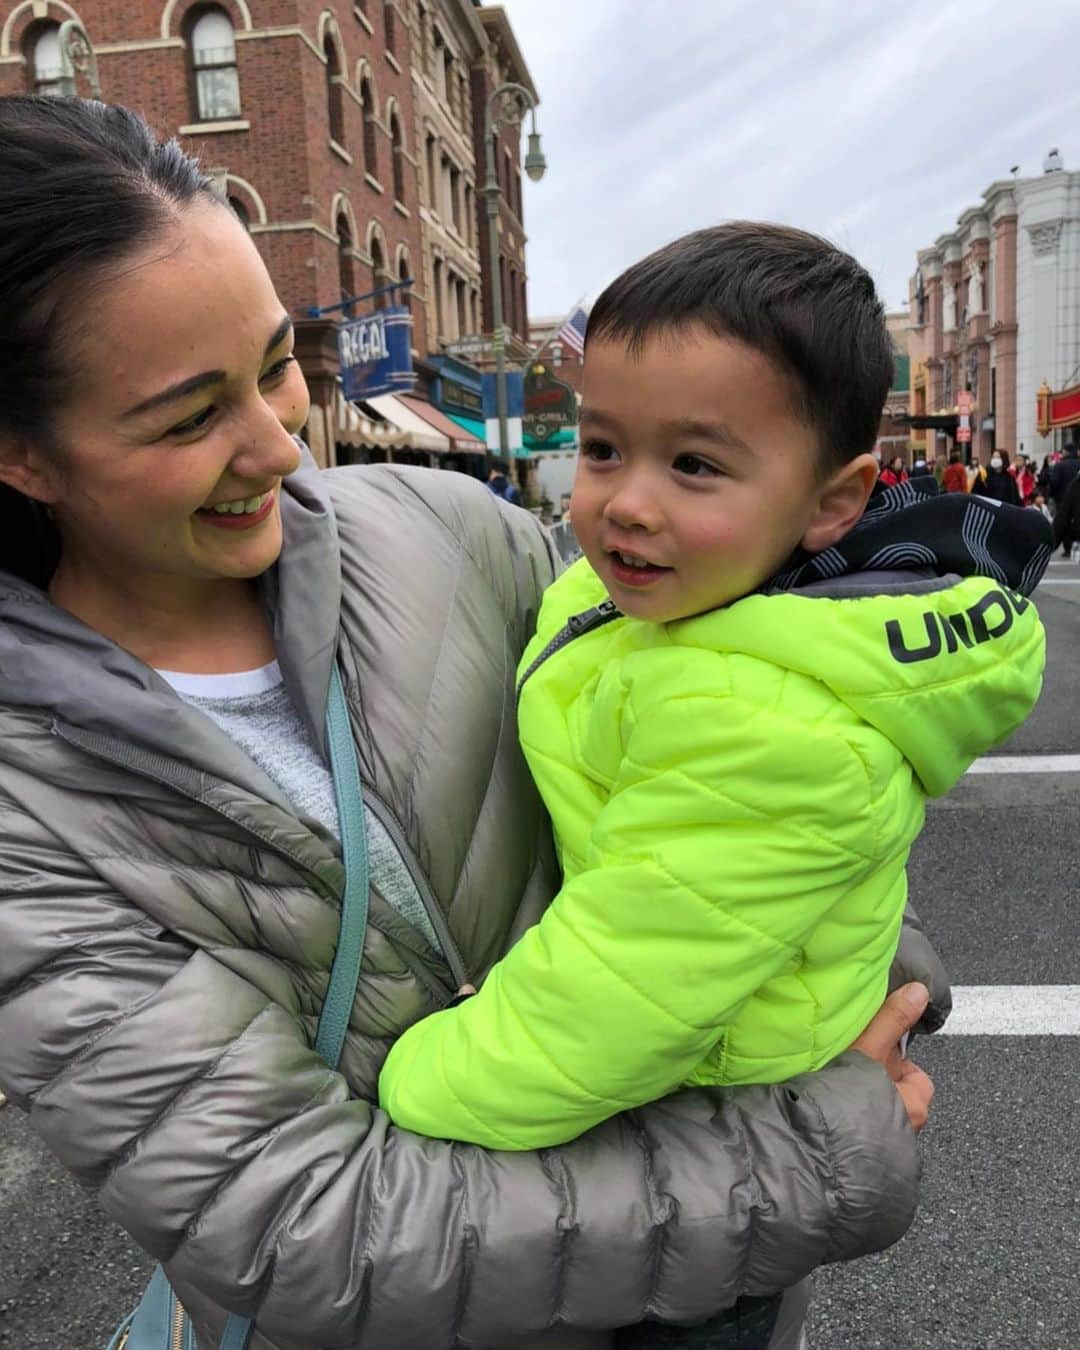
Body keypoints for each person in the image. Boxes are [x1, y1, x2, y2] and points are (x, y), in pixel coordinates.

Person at [0, 99, 942, 1350]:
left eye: (278, 364)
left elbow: (712, 766)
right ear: (23, 454)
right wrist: (808, 1157)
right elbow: (302, 1227)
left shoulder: (441, 532)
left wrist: (865, 963)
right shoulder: (27, 814)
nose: (279, 445)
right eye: (188, 418)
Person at [379, 226, 1049, 1344]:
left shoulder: (758, 717)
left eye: (693, 465)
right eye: (602, 449)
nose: (627, 504)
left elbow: (616, 1000)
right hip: (712, 1070)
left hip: (717, 1127)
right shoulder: (679, 604)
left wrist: (421, 1080)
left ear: (834, 503)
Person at [1048, 443, 1080, 553]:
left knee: (1065, 518)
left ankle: (1068, 548)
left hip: (1063, 498)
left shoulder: (1060, 465)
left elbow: (1062, 519)